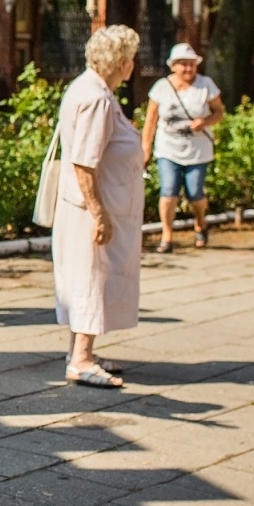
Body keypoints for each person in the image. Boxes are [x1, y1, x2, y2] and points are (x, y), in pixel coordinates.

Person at [52, 25, 143, 389]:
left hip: (90, 205)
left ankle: (80, 350)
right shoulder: (96, 98)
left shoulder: (92, 90)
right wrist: (99, 214)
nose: (133, 66)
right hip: (91, 209)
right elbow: (85, 162)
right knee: (92, 278)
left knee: (88, 278)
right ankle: (82, 359)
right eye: (132, 59)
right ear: (120, 62)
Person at [141, 42, 225, 251]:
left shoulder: (206, 85)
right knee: (168, 190)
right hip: (168, 149)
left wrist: (204, 122)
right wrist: (145, 149)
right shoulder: (161, 88)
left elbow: (219, 112)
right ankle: (166, 236)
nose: (188, 69)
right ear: (174, 66)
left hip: (197, 151)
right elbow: (150, 121)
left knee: (195, 192)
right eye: (184, 64)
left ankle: (200, 222)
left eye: (192, 64)